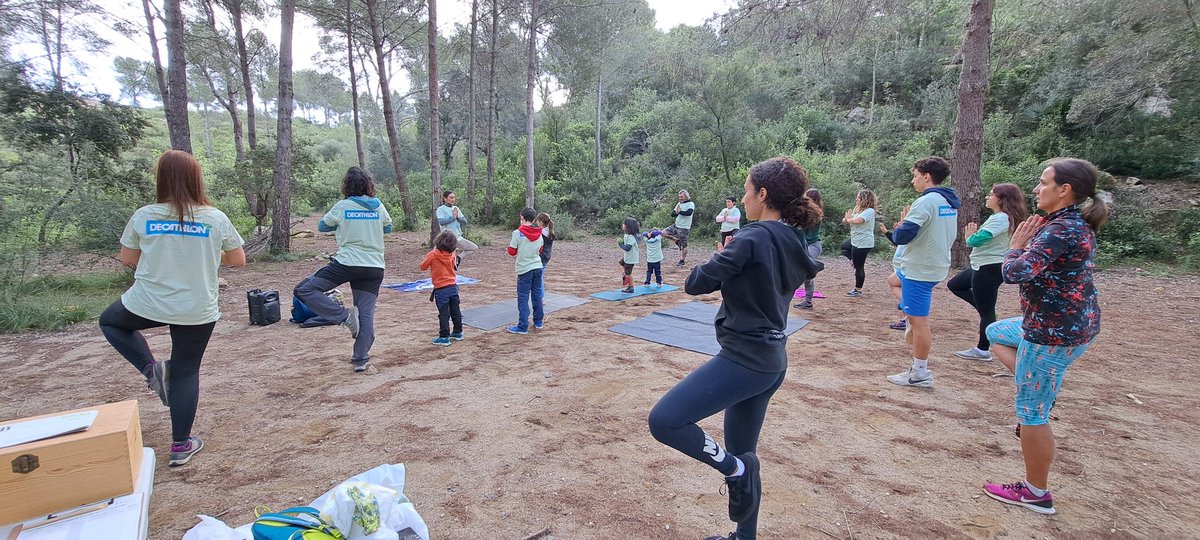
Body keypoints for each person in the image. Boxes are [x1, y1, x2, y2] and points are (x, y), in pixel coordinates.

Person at [648, 157, 822, 540]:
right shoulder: (793, 239)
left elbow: (696, 282)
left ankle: (736, 472)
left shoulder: (753, 236)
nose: (743, 199)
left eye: (746, 190)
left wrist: (723, 252)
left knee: (664, 421)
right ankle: (745, 535)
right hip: (772, 362)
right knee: (745, 451)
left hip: (744, 359)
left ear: (763, 195)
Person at [99, 150, 245, 467]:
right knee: (186, 370)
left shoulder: (144, 215)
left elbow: (127, 258)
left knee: (111, 322)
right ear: (197, 179)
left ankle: (151, 369)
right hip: (196, 307)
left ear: (161, 179)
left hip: (148, 302)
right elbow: (238, 260)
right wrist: (205, 255)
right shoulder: (214, 218)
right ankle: (181, 445)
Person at [981, 158, 1106, 515]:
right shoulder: (1067, 223)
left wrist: (1015, 246)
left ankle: (1036, 493)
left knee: (1031, 415)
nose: (1036, 189)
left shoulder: (1061, 229)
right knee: (995, 333)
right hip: (1064, 324)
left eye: (1042, 182)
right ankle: (1037, 386)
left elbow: (1015, 272)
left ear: (1064, 190)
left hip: (1051, 332)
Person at [294, 167, 393, 373]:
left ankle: (344, 316)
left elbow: (322, 226)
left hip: (347, 263)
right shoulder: (378, 206)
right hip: (374, 267)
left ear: (346, 186)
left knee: (304, 290)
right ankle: (361, 360)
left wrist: (344, 225)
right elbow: (388, 228)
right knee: (365, 315)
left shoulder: (342, 206)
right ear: (368, 184)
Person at [880, 156, 960, 389]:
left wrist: (901, 226)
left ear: (927, 176)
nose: (913, 180)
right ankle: (908, 313)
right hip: (930, 265)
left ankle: (920, 373)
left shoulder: (927, 201)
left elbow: (903, 236)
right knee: (893, 280)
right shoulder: (948, 200)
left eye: (915, 175)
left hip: (920, 268)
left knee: (920, 322)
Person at [947, 183, 1029, 360]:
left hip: (990, 267)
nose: (987, 197)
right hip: (983, 265)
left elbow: (977, 240)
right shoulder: (1002, 217)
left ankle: (983, 350)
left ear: (1002, 199)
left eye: (991, 194)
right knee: (955, 284)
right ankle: (987, 314)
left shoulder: (1001, 218)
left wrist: (969, 237)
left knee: (987, 311)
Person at [421, 230, 464, 347]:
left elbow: (423, 266)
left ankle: (444, 336)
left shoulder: (433, 254)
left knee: (444, 313)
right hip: (453, 287)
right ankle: (458, 332)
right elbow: (454, 267)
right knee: (455, 310)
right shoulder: (452, 254)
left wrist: (432, 253)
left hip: (441, 289)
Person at [506, 207, 544, 334]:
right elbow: (540, 250)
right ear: (534, 219)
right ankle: (538, 321)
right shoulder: (540, 233)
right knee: (537, 295)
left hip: (524, 269)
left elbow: (512, 251)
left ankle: (523, 326)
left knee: (523, 297)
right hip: (537, 267)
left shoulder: (517, 233)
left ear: (522, 217)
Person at [840, 189, 877, 297]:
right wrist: (847, 219)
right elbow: (845, 220)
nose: (856, 199)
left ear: (865, 199)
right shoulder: (859, 210)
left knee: (859, 267)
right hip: (855, 240)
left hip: (863, 243)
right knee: (844, 247)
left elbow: (858, 220)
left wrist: (848, 220)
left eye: (859, 197)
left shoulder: (869, 211)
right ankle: (853, 260)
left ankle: (858, 290)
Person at [795, 188, 823, 309]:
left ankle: (808, 301)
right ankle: (808, 301)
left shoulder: (815, 214)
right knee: (804, 272)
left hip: (813, 245)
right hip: (805, 245)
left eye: (807, 197)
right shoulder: (807, 211)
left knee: (805, 272)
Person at [436, 191, 477, 267]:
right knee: (450, 260)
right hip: (447, 238)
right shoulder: (440, 209)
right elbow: (442, 222)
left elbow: (464, 221)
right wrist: (453, 217)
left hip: (458, 237)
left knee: (473, 247)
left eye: (454, 197)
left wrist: (457, 217)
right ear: (445, 199)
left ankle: (459, 258)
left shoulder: (456, 208)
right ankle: (449, 275)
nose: (453, 199)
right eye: (451, 197)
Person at [662, 190, 695, 266]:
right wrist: (676, 212)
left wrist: (680, 212)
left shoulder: (690, 204)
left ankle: (682, 260)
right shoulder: (679, 204)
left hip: (684, 227)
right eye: (679, 196)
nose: (680, 198)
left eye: (681, 196)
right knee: (663, 233)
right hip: (676, 225)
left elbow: (689, 213)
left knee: (684, 245)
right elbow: (672, 214)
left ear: (686, 196)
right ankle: (676, 240)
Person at [617, 217, 641, 293]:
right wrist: (622, 241)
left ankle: (631, 287)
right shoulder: (626, 235)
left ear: (628, 226)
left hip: (631, 258)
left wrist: (620, 244)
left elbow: (627, 248)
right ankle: (625, 275)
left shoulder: (631, 237)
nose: (623, 225)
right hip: (627, 257)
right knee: (620, 264)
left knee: (629, 273)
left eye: (624, 224)